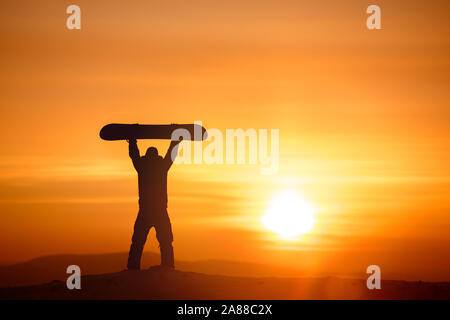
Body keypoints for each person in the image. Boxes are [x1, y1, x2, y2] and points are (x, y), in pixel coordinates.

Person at [126, 136, 182, 270]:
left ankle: (133, 267)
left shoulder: (142, 166)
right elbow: (171, 155)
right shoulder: (161, 167)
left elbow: (134, 155)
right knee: (166, 241)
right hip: (159, 210)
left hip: (146, 210)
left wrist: (132, 141)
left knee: (138, 242)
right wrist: (175, 142)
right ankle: (168, 266)